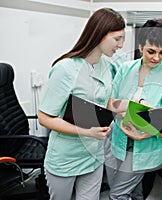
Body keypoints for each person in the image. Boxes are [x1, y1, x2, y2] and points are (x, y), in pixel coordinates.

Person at [37, 8, 125, 200]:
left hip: (93, 156)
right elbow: (44, 117)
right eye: (117, 38)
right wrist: (86, 132)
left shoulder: (107, 66)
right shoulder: (65, 69)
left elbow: (104, 101)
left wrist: (127, 107)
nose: (121, 45)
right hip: (65, 158)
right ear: (101, 34)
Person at [105, 19, 162, 200]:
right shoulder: (125, 69)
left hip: (146, 145)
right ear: (140, 47)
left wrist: (141, 131)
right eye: (151, 51)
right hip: (117, 141)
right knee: (135, 193)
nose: (156, 58)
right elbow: (111, 103)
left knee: (117, 194)